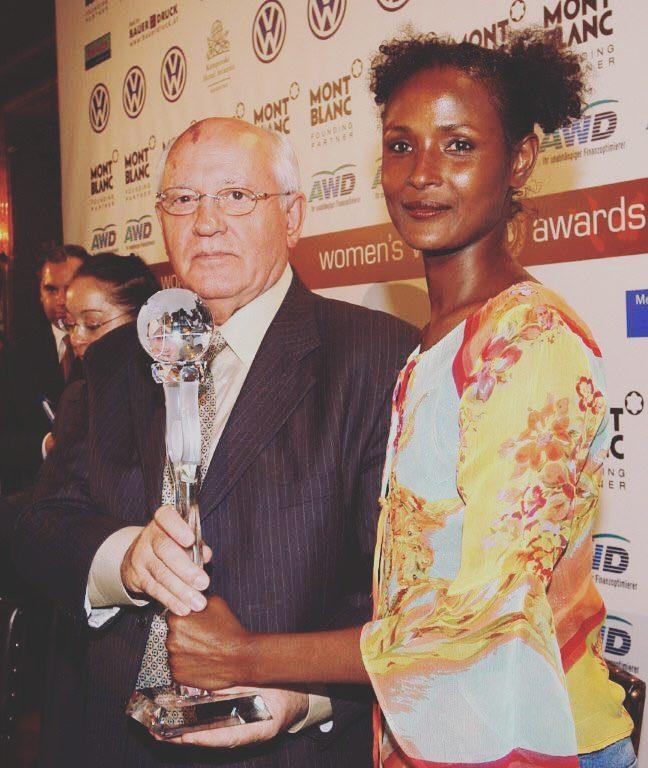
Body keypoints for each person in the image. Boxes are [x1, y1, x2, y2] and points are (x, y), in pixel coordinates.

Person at [161, 33, 637, 768]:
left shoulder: (529, 340)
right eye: (401, 146)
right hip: (438, 736)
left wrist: (247, 654)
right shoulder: (438, 338)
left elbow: (479, 619)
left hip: (535, 739)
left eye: (458, 146)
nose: (422, 174)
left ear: (519, 160)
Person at [13, 118, 418, 768]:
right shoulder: (115, 360)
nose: (205, 222)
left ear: (292, 216)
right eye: (183, 199)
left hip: (280, 751)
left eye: (236, 196)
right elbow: (41, 525)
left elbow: (407, 601)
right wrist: (124, 560)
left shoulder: (377, 357)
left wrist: (303, 698)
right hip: (108, 741)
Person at [0, 244, 88, 493]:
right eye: (51, 289)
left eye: (69, 288)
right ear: (39, 292)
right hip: (32, 494)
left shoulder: (112, 347)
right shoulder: (14, 356)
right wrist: (45, 445)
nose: (60, 300)